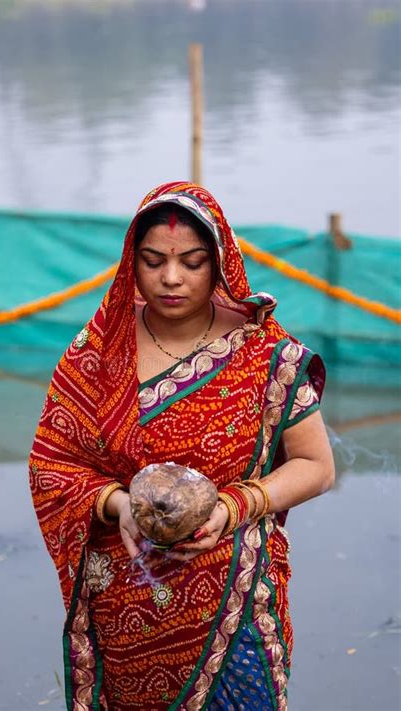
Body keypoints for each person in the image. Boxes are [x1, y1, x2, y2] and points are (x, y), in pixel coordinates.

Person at [29, 181, 335, 711]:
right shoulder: (97, 351)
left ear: (219, 264)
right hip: (125, 602)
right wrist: (118, 503)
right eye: (153, 261)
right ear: (132, 263)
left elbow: (316, 466)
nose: (171, 278)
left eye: (192, 262)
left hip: (234, 598)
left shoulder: (265, 355)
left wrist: (233, 505)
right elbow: (52, 464)